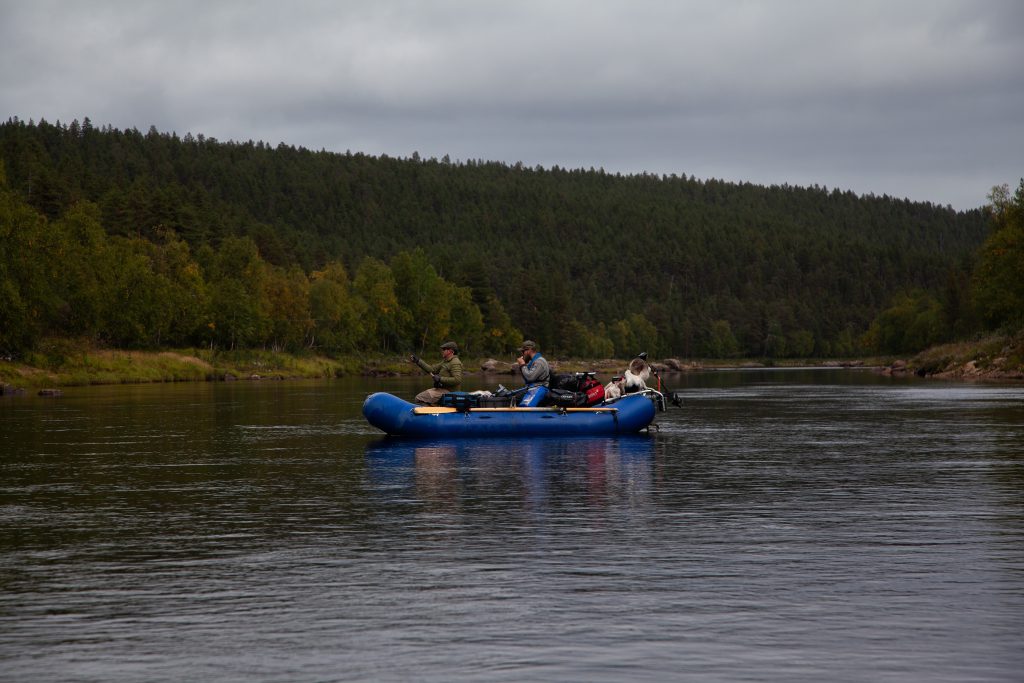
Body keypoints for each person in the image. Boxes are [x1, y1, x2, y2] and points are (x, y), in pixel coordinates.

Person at [409, 341, 463, 405]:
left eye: (444, 349)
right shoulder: (445, 362)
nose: (442, 351)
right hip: (441, 389)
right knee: (419, 398)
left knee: (420, 398)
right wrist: (418, 361)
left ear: (451, 351)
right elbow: (432, 369)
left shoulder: (455, 363)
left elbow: (458, 380)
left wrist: (440, 379)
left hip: (449, 392)